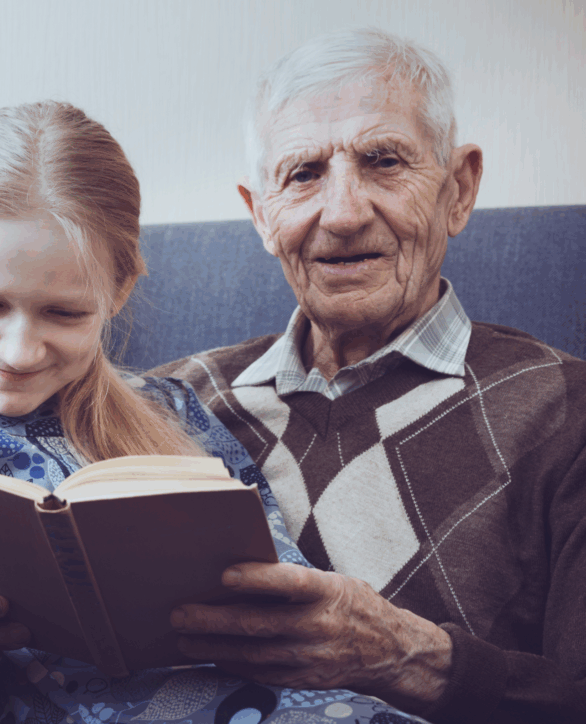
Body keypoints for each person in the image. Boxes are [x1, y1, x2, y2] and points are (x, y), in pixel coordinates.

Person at [0, 101, 426, 723]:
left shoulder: (173, 409)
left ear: (119, 289)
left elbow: (279, 587)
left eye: (64, 312)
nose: (21, 349)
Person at [153, 27, 586, 724]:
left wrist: (408, 657)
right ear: (261, 214)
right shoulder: (164, 404)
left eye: (384, 161)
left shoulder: (569, 412)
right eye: (303, 174)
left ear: (459, 188)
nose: (344, 212)